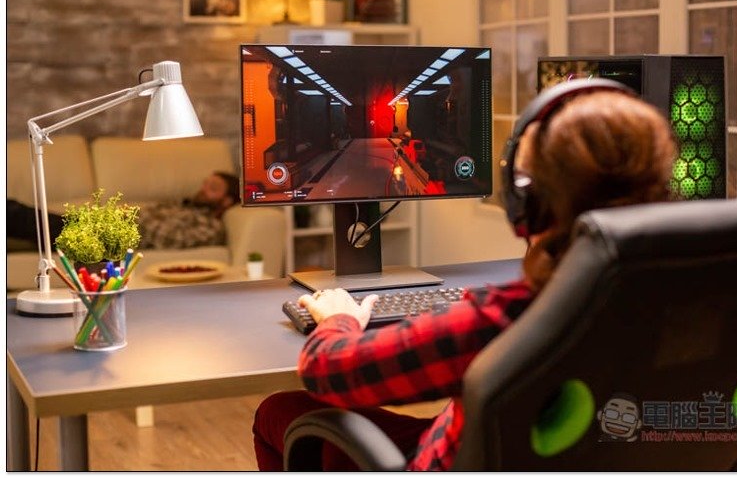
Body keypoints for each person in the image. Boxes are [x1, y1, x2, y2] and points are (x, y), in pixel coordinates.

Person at [252, 87, 677, 471]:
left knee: (278, 411)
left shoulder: (507, 317)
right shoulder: (685, 299)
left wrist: (338, 320)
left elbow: (329, 372)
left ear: (525, 203)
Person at [7, 171, 240, 251]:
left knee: (21, 217)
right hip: (107, 225)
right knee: (24, 219)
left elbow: (167, 239)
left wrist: (134, 218)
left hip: (114, 235)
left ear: (227, 201)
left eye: (213, 188)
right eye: (205, 184)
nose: (203, 189)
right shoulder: (182, 205)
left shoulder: (210, 226)